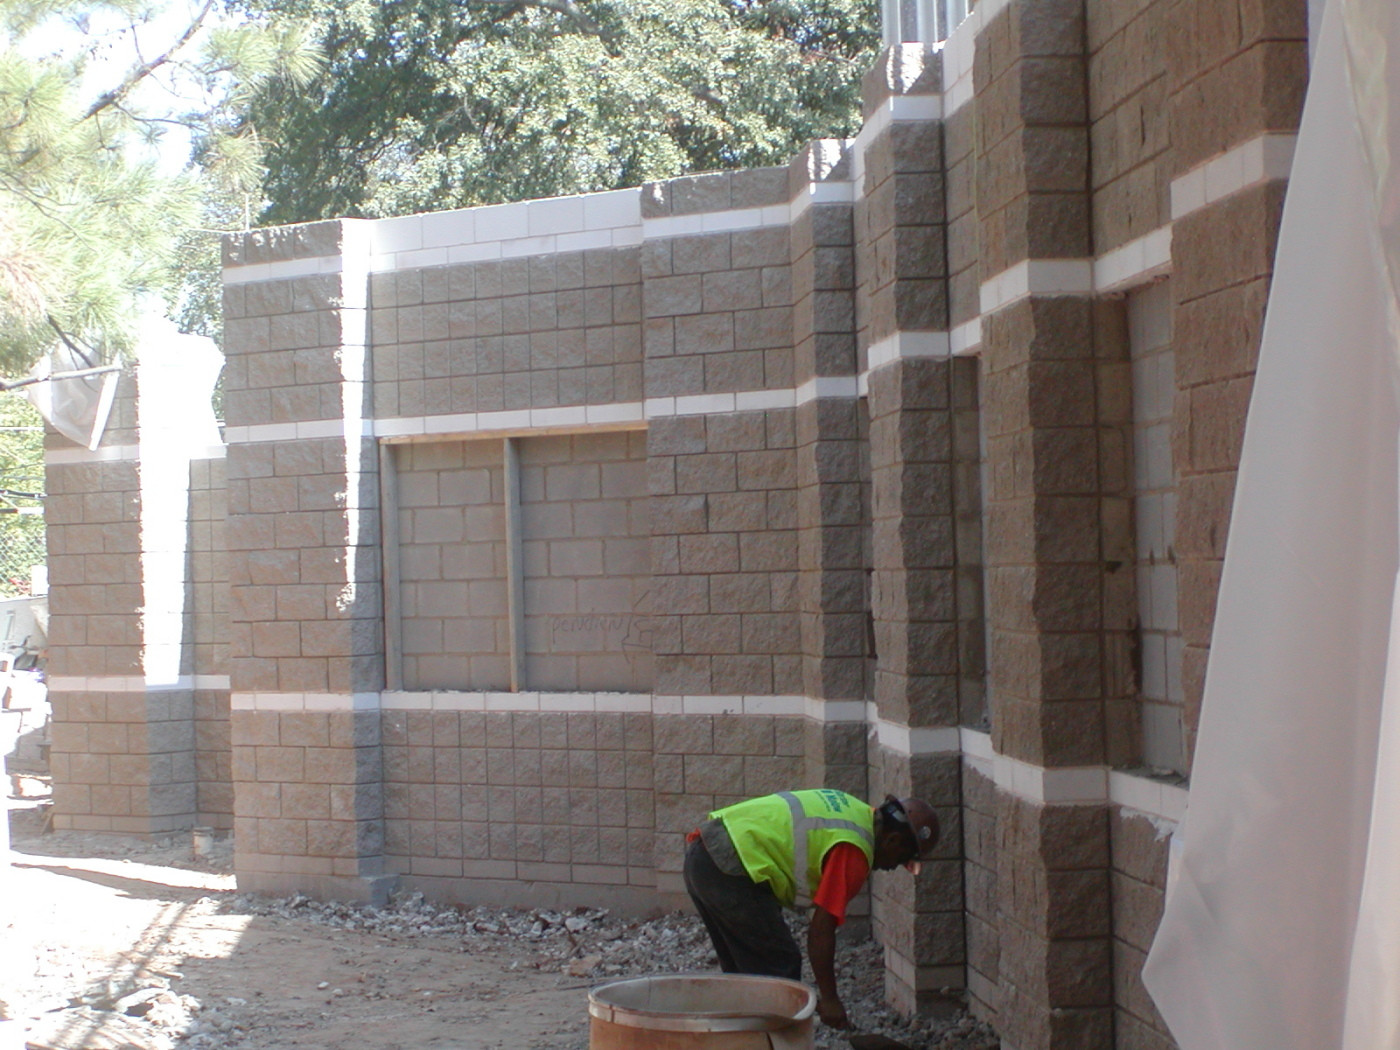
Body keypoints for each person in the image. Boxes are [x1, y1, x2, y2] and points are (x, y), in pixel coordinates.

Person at [682, 788, 940, 1029]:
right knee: (779, 971)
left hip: (705, 852)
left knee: (745, 975)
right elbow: (820, 931)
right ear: (893, 840)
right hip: (729, 867)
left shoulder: (855, 812)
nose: (893, 867)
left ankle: (740, 1039)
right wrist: (829, 1000)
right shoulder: (854, 850)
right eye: (902, 860)